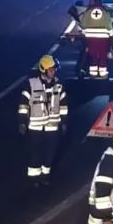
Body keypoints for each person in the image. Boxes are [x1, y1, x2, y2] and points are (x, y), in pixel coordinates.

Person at [17, 55, 68, 184]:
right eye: (51, 69)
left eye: (54, 69)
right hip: (35, 126)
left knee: (50, 153)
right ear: (43, 70)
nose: (53, 71)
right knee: (35, 153)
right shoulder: (31, 84)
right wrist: (22, 122)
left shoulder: (58, 85)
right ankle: (34, 178)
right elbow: (24, 104)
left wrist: (64, 122)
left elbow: (63, 105)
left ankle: (45, 176)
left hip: (52, 126)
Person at [68, 0, 113, 80]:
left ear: (94, 1)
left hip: (91, 39)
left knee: (93, 57)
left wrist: (84, 33)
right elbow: (109, 25)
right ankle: (103, 76)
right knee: (103, 56)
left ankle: (93, 75)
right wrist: (111, 36)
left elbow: (84, 25)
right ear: (101, 1)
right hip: (103, 39)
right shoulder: (105, 11)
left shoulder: (88, 11)